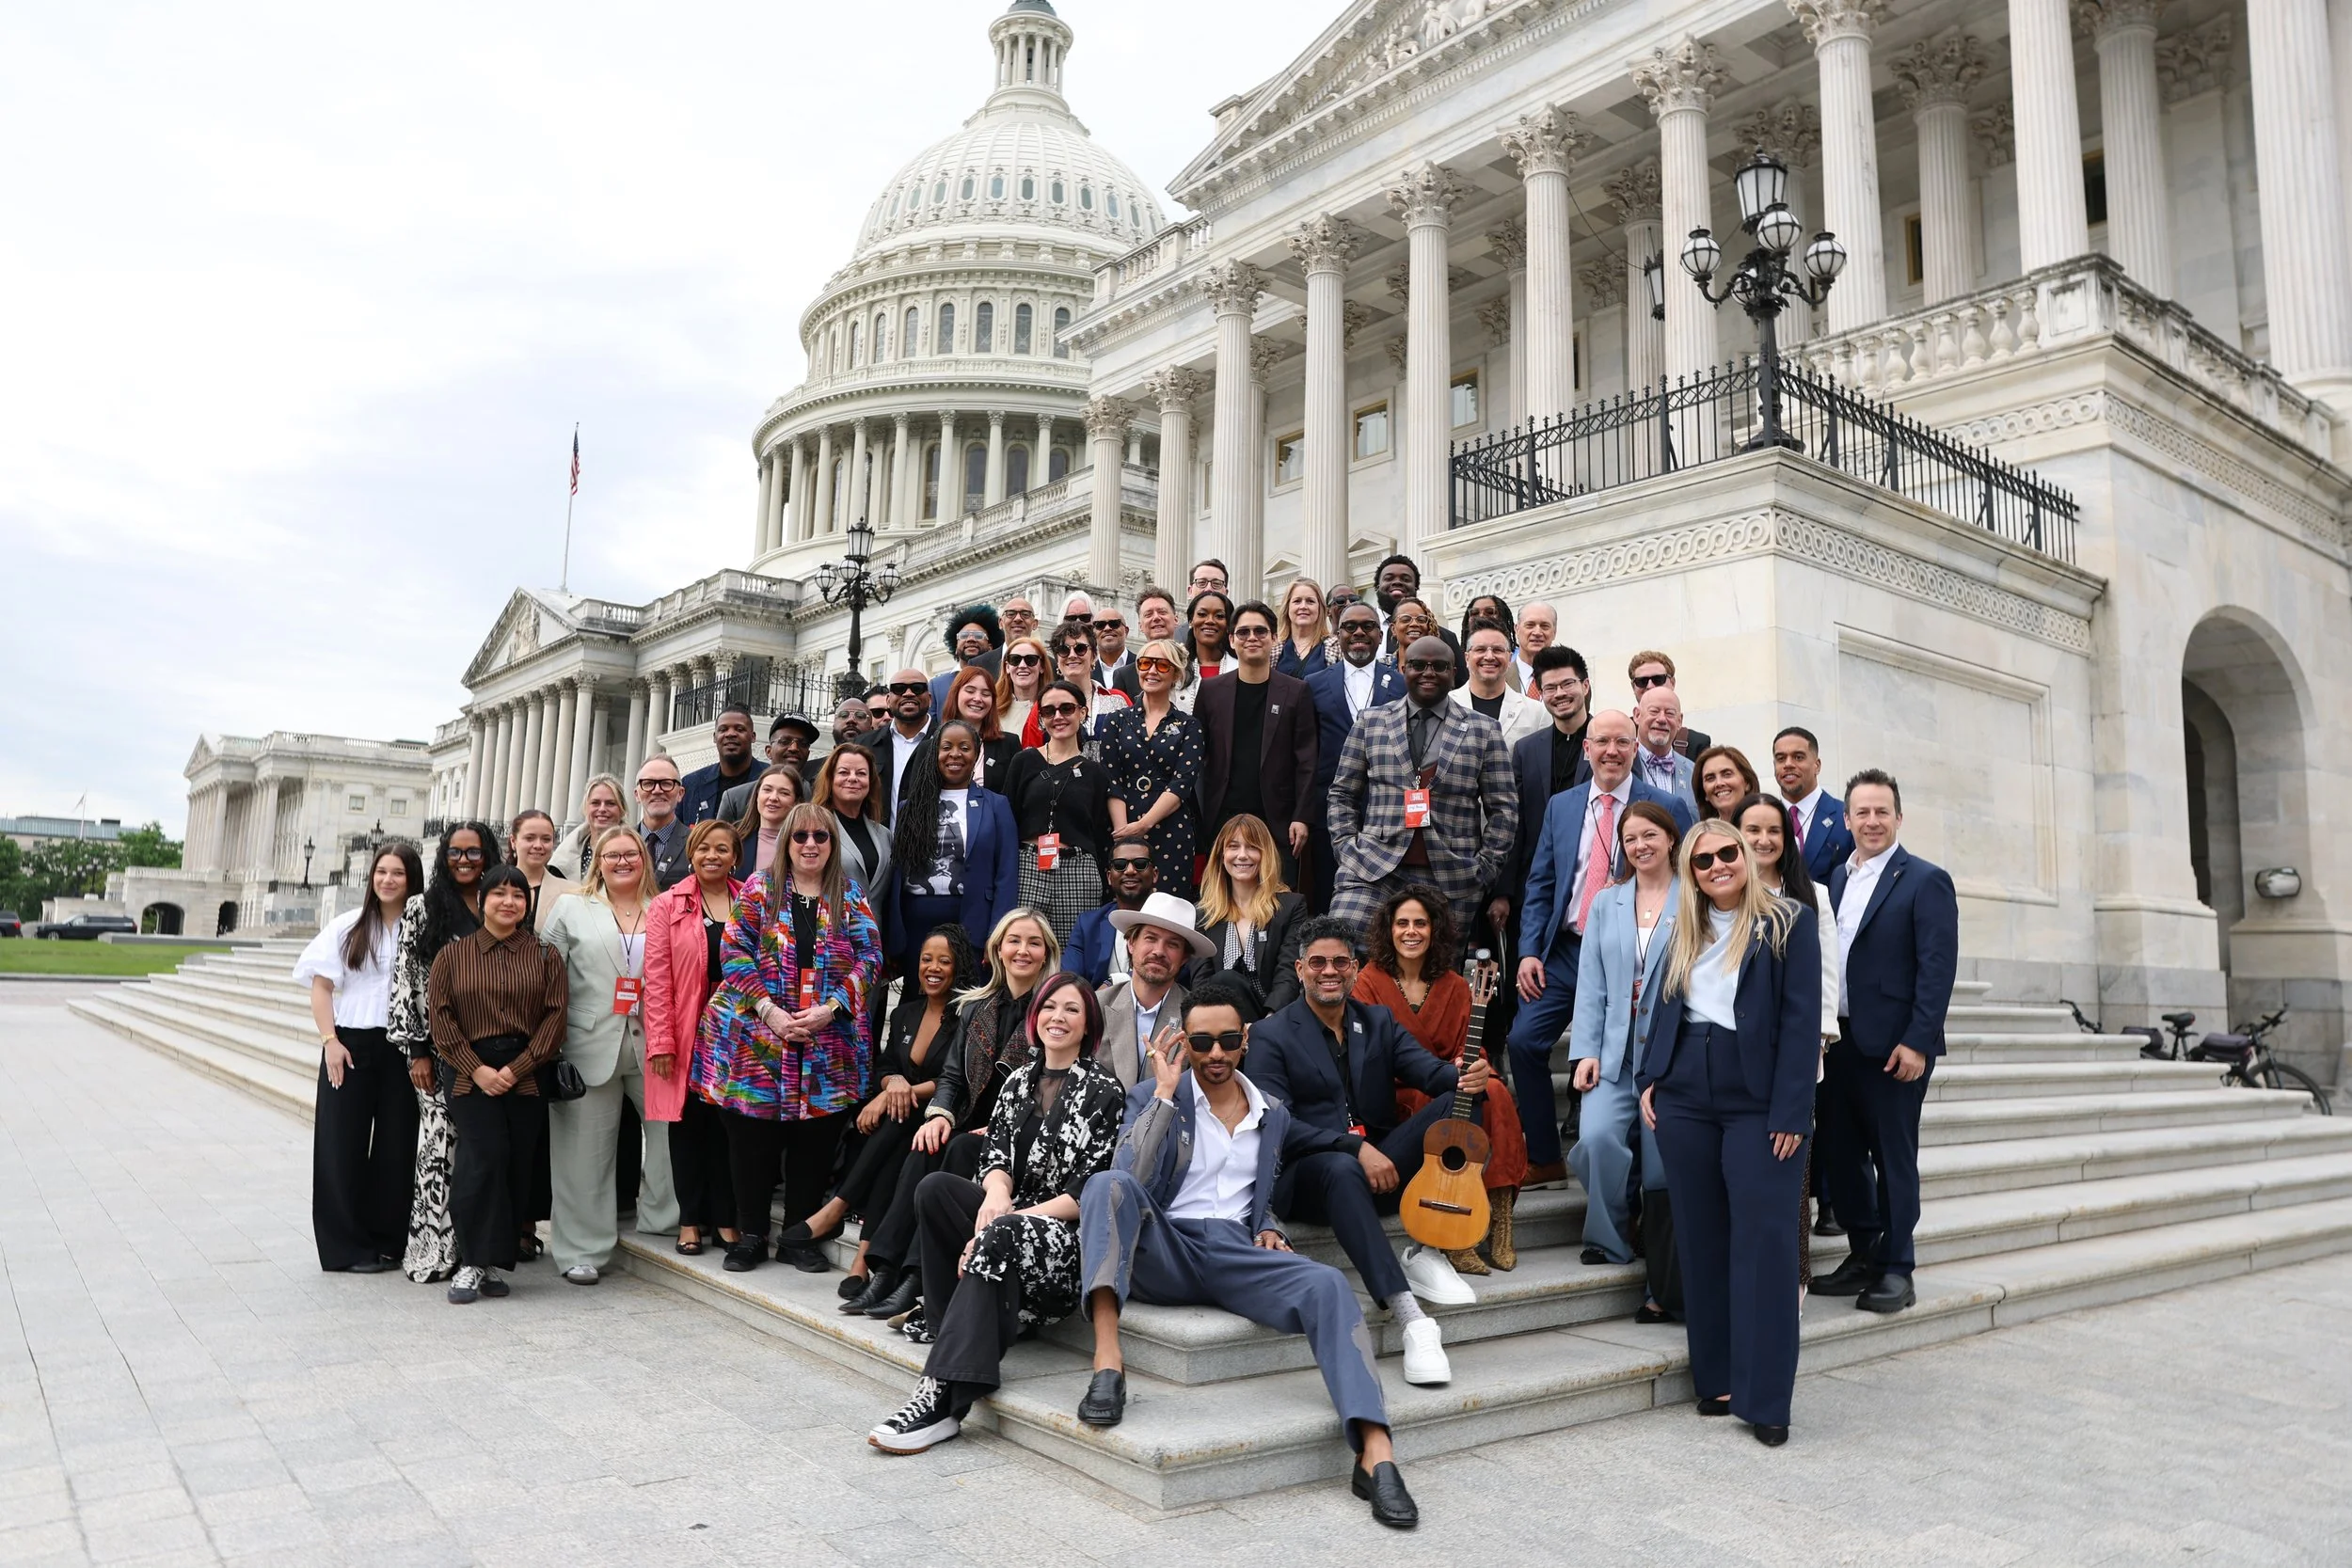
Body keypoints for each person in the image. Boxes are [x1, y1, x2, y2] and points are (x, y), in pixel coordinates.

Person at [1075, 980, 1422, 1529]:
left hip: (1237, 1253)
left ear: (1246, 1041)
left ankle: (1375, 1453)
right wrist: (1164, 1094)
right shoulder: (1152, 1096)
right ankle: (1108, 1364)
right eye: (1201, 1041)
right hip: (1167, 1246)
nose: (1215, 1053)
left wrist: (1267, 1224)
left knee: (1330, 1284)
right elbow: (1130, 1175)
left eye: (1228, 1040)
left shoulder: (1273, 1112)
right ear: (1182, 1043)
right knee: (1104, 1185)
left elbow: (1259, 1188)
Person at [866, 973, 1127, 1455]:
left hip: (1061, 1241)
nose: (1058, 1017)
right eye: (1051, 1007)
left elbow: (1084, 1193)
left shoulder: (1104, 1090)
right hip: (1010, 1222)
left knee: (999, 1233)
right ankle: (954, 1326)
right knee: (937, 1189)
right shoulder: (1018, 1080)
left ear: (1088, 1022)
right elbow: (997, 1159)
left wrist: (1006, 1221)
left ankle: (943, 1397)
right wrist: (995, 1196)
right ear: (1036, 1017)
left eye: (1072, 1009)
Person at [1635, 816, 1820, 1445]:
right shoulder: (1682, 926)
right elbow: (1661, 1003)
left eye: (1726, 853)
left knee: (1766, 1244)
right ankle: (1715, 1378)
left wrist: (1793, 1109)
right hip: (1685, 1096)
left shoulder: (1788, 921)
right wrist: (1648, 1076)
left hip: (1757, 1101)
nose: (1717, 866)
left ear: (1745, 854)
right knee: (1701, 1238)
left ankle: (1766, 1398)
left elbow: (1802, 1019)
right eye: (1703, 859)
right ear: (1690, 870)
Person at [1246, 918, 1486, 1379]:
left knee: (1460, 1102)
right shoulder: (1272, 1035)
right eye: (1318, 962)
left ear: (1355, 969)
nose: (1329, 971)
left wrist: (1463, 1075)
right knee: (1340, 1167)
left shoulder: (1376, 1020)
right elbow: (1276, 1124)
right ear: (1299, 969)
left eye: (1340, 962)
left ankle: (1427, 1243)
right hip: (1311, 1176)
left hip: (1380, 1170)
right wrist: (1353, 1149)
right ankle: (1412, 1319)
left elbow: (1428, 1071)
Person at [1507, 710, 1695, 1183]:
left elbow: (1687, 884)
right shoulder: (1562, 805)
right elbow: (1542, 882)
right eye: (1602, 742)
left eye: (1622, 742)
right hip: (1566, 951)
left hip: (1633, 955)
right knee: (1523, 1041)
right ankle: (1546, 1155)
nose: (1611, 751)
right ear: (1586, 749)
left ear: (1636, 748)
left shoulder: (1667, 805)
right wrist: (1530, 950)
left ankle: (1632, 1177)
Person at [694, 801, 883, 1272]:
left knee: (814, 1143)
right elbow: (733, 951)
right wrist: (770, 1010)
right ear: (786, 843)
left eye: (821, 837)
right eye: (800, 837)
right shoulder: (760, 889)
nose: (810, 845)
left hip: (828, 1040)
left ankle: (800, 1237)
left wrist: (831, 1007)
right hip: (756, 1037)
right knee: (750, 1141)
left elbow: (871, 957)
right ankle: (752, 1234)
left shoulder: (850, 894)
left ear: (832, 844)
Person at [846, 910, 1059, 1319]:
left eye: (1034, 943)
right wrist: (939, 1114)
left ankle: (915, 1277)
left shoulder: (1050, 1010)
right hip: (964, 1121)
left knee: (959, 1147)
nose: (1023, 951)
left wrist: (996, 1128)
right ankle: (886, 1270)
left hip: (1019, 1135)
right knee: (928, 1140)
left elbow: (1052, 1089)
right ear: (998, 948)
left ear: (1047, 951)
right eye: (1014, 940)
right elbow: (952, 1076)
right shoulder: (975, 1005)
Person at [1812, 769, 1957, 1316]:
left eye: (1882, 812)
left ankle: (1898, 1267)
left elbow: (1937, 969)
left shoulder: (1924, 880)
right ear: (1846, 820)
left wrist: (1919, 1041)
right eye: (1862, 813)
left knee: (1893, 1158)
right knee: (1843, 1158)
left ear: (1899, 818)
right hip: (1838, 1043)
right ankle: (1863, 1252)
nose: (1872, 821)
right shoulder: (1835, 879)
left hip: (1895, 1048)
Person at [1351, 887, 1525, 1275]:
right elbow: (1366, 1054)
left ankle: (1500, 1218)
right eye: (1402, 923)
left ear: (1434, 930)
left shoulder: (1456, 985)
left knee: (1493, 1089)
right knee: (1468, 1095)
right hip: (1398, 1096)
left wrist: (1471, 1065)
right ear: (1388, 929)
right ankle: (1456, 1228)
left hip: (1453, 1083)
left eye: (1420, 923)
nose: (1411, 932)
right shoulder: (1368, 981)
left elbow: (1471, 1048)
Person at [802, 924, 977, 1303]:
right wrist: (891, 1085)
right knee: (896, 1137)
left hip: (942, 1118)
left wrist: (896, 1094)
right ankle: (861, 1260)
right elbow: (884, 1066)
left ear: (959, 966)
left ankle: (840, 1212)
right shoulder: (905, 1013)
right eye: (926, 959)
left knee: (899, 1124)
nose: (933, 968)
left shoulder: (968, 1015)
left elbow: (956, 1077)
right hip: (903, 1122)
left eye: (944, 961)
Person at [539, 826, 681, 1286]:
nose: (623, 861)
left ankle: (664, 1221)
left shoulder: (665, 908)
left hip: (655, 1046)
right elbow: (547, 978)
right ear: (597, 861)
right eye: (612, 854)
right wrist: (548, 1044)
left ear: (646, 859)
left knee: (669, 1141)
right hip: (586, 1043)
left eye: (632, 854)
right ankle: (581, 1248)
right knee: (584, 1152)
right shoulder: (572, 908)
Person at [427, 863, 568, 1305]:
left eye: (518, 896)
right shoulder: (453, 956)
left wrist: (519, 1067)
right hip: (471, 1072)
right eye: (499, 894)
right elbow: (441, 1019)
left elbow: (554, 1017)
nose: (509, 902)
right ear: (482, 901)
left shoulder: (545, 955)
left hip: (526, 1071)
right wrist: (478, 1069)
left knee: (515, 1164)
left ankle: (494, 1263)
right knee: (481, 1159)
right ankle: (470, 1261)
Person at [1326, 635, 1518, 940]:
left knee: (1434, 977)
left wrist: (1484, 868)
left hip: (1452, 876)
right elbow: (1342, 794)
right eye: (1418, 665)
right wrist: (1347, 848)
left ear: (1454, 673)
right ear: (1403, 668)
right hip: (1372, 869)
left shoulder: (1484, 730)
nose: (1428, 672)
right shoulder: (1370, 722)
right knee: (1340, 948)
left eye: (1439, 666)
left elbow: (1504, 809)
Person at [1564, 802, 1681, 1290]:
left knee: (1660, 1160)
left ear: (1672, 838)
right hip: (1614, 1052)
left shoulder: (1694, 898)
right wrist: (1584, 1050)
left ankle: (1660, 1252)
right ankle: (1611, 1236)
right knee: (1595, 1139)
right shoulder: (1605, 903)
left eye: (1650, 835)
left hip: (1671, 1057)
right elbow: (1590, 983)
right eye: (1631, 839)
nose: (1641, 846)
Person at [298, 841, 424, 1274]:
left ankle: (388, 1240)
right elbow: (321, 987)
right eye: (381, 872)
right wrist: (329, 1040)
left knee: (397, 1145)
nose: (387, 880)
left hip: (403, 1046)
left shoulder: (421, 927)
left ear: (412, 880)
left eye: (398, 873)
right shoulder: (348, 926)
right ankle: (345, 1248)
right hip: (350, 1044)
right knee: (341, 1144)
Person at [388, 819, 501, 1283]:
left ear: (488, 855)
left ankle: (474, 1250)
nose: (464, 861)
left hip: (490, 1050)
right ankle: (432, 1249)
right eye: (455, 852)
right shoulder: (422, 907)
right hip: (436, 1051)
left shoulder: (500, 902)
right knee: (437, 1150)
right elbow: (404, 981)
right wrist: (416, 1048)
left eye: (474, 853)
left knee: (478, 1152)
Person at [1737, 790, 1843, 1277]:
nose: (1762, 839)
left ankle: (1794, 1275)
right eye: (1753, 829)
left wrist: (1816, 1042)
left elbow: (1825, 978)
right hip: (1731, 1054)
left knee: (1791, 1170)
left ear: (1788, 837)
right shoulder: (1717, 888)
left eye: (1773, 830)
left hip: (1793, 1054)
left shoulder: (1812, 895)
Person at [644, 818, 744, 1256]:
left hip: (739, 1038)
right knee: (688, 1131)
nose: (712, 856)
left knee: (730, 1131)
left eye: (722, 849)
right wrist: (661, 1042)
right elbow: (657, 979)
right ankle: (689, 1221)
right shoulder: (668, 905)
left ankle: (725, 1218)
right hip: (688, 1033)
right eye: (704, 848)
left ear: (735, 857)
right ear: (691, 852)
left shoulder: (752, 901)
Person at [1193, 600, 1317, 880]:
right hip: (1221, 816)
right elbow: (1199, 757)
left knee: (1276, 902)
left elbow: (1307, 760)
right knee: (1221, 900)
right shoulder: (1211, 691)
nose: (1252, 638)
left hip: (1278, 820)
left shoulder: (1296, 692)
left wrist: (1301, 816)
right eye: (1243, 632)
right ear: (1232, 640)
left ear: (1274, 638)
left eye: (1260, 632)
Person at [1302, 601, 1405, 912]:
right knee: (1328, 895)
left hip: (1386, 812)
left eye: (1368, 626)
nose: (1359, 632)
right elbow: (1307, 751)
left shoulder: (1401, 685)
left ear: (1380, 633)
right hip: (1329, 812)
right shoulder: (1314, 683)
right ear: (1337, 634)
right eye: (1350, 627)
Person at [891, 718, 1018, 969]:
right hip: (915, 922)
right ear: (935, 752)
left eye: (964, 747)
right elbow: (897, 870)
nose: (955, 754)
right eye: (946, 747)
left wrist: (998, 931)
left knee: (967, 1000)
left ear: (976, 753)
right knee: (918, 1001)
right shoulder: (910, 807)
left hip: (973, 921)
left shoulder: (996, 805)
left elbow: (1007, 873)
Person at [1003, 679, 1117, 945]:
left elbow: (1100, 834)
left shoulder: (1095, 772)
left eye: (1066, 708)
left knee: (1073, 954)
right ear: (1041, 718)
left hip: (1079, 870)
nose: (1058, 717)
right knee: (1023, 949)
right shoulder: (1024, 760)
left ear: (1082, 712)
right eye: (1048, 711)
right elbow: (1008, 821)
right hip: (1028, 867)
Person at [1098, 639, 1206, 900]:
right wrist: (1125, 836)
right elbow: (1111, 779)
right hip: (1121, 825)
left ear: (1177, 674)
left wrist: (1144, 824)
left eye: (1162, 665)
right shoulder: (1117, 721)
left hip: (1171, 828)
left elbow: (1182, 783)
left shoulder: (1189, 726)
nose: (1152, 671)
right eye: (1145, 663)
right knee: (1124, 906)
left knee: (1167, 909)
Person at [1190, 814, 1308, 1014]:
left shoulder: (1291, 906)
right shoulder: (1202, 914)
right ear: (1221, 855)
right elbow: (1201, 981)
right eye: (1233, 846)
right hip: (1219, 1021)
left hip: (1272, 1018)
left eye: (1252, 847)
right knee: (1224, 979)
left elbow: (1288, 973)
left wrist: (1269, 1023)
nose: (1242, 855)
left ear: (1266, 854)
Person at [1095, 892, 1208, 1087]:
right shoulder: (1096, 1006)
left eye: (1172, 944)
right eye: (1150, 938)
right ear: (1131, 943)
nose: (1159, 951)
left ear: (1184, 958)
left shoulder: (1197, 1017)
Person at [1508, 645, 1594, 896]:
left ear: (1585, 686)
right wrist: (1505, 891)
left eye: (1568, 684)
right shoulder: (1526, 750)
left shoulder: (1610, 742)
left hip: (1592, 879)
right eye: (1550, 688)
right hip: (1537, 883)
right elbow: (1517, 822)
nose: (1560, 694)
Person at [812, 743, 893, 930]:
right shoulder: (813, 829)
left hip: (874, 940)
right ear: (830, 779)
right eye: (844, 772)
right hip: (828, 935)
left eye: (861, 773)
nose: (853, 778)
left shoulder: (884, 834)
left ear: (871, 782)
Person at [1063, 840, 1156, 987]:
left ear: (1155, 874)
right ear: (1109, 877)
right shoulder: (1087, 924)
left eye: (1140, 864)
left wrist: (1114, 981)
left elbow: (1176, 970)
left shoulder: (1171, 921)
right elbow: (1068, 980)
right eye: (1120, 865)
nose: (1130, 870)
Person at [1772, 726, 1853, 883]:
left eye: (1798, 757)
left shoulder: (1846, 817)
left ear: (1817, 765)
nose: (1788, 764)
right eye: (1781, 758)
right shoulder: (1763, 818)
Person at [1450, 620, 1547, 746]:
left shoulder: (1537, 712)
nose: (1489, 657)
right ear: (1467, 658)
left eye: (1498, 650)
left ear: (1509, 658)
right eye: (1480, 649)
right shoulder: (1446, 706)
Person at [1040, 620, 1131, 747]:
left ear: (1094, 656)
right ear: (1057, 659)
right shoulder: (1044, 705)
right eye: (1063, 650)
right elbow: (1034, 756)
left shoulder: (1118, 700)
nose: (1072, 655)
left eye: (1080, 649)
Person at [1371, 556, 1462, 679]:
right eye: (1389, 578)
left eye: (1405, 579)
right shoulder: (1363, 631)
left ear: (1416, 587)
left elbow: (1460, 684)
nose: (1397, 582)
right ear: (1377, 586)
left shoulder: (1444, 636)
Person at [719, 715, 821, 824]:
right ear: (769, 751)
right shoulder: (735, 799)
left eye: (803, 744)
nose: (794, 748)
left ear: (808, 754)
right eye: (785, 741)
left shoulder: (818, 799)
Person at [681, 705, 766, 827]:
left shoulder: (769, 779)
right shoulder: (691, 784)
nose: (730, 734)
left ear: (753, 737)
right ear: (715, 737)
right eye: (723, 729)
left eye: (740, 729)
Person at [942, 664, 1020, 789]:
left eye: (986, 694)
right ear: (955, 694)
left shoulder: (1009, 744)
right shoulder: (931, 746)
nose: (978, 699)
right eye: (970, 691)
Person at [1627, 650, 1713, 755]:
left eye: (1658, 679)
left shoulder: (1695, 744)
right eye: (1642, 681)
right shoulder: (1616, 736)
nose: (1650, 686)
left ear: (1672, 683)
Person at [508, 809, 580, 929]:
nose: (538, 846)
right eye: (529, 838)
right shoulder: (492, 885)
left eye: (546, 839)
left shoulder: (572, 892)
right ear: (513, 841)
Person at [1632, 687, 1699, 814]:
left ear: (1679, 721)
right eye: (1654, 711)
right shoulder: (1623, 766)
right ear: (1637, 715)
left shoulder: (1694, 772)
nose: (1662, 719)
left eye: (1669, 713)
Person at [929, 605, 1005, 711]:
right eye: (963, 636)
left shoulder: (1002, 677)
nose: (971, 639)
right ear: (955, 647)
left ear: (990, 647)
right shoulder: (937, 685)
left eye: (978, 636)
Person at [634, 754, 692, 891]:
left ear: (680, 794)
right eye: (648, 783)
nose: (657, 791)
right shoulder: (620, 843)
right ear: (637, 794)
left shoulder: (696, 844)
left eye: (666, 783)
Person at [732, 767, 800, 882]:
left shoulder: (807, 842)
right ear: (757, 795)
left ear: (796, 801)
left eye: (784, 793)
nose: (773, 798)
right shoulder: (733, 838)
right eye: (767, 790)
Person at [558, 774, 628, 880]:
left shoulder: (635, 852)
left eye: (610, 803)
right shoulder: (564, 855)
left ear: (622, 810)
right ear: (586, 808)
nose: (602, 809)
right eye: (595, 803)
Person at [882, 668, 935, 804]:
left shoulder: (946, 742)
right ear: (888, 700)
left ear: (929, 699)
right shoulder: (866, 744)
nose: (909, 694)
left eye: (917, 688)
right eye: (899, 688)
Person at [994, 634, 1052, 744]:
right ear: (1007, 667)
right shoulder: (993, 710)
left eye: (1030, 660)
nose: (1022, 665)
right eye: (1015, 660)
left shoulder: (1055, 709)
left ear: (1042, 667)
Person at [1276, 577, 1337, 679]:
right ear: (1287, 607)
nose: (1303, 606)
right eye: (1297, 601)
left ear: (1320, 608)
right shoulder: (1274, 648)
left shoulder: (1336, 646)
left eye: (1310, 601)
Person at [1693, 745, 1763, 821]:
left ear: (1747, 783)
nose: (1719, 783)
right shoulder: (1703, 832)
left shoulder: (1769, 826)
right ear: (1704, 793)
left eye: (1727, 775)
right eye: (1710, 778)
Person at [1455, 594, 1514, 682]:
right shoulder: (1457, 657)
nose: (1481, 616)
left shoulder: (1517, 657)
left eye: (1489, 612)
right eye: (1475, 613)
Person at [1185, 589, 1235, 682]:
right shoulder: (1176, 668)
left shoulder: (1242, 669)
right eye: (1202, 614)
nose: (1210, 621)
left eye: (1219, 616)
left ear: (1228, 625)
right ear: (1191, 621)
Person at [1512, 602, 1557, 691]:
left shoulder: (1570, 678)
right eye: (1530, 625)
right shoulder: (1499, 677)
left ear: (1554, 632)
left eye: (1545, 626)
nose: (1537, 632)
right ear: (1517, 629)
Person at [1091, 604, 1136, 694]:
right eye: (1100, 625)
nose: (1107, 628)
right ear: (1093, 634)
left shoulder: (1143, 666)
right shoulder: (1087, 673)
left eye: (1114, 624)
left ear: (1126, 631)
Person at [1135, 585, 1181, 650]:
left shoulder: (1193, 659)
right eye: (1148, 614)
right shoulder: (1137, 660)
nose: (1156, 617)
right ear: (1140, 626)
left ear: (1176, 620)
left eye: (1162, 612)